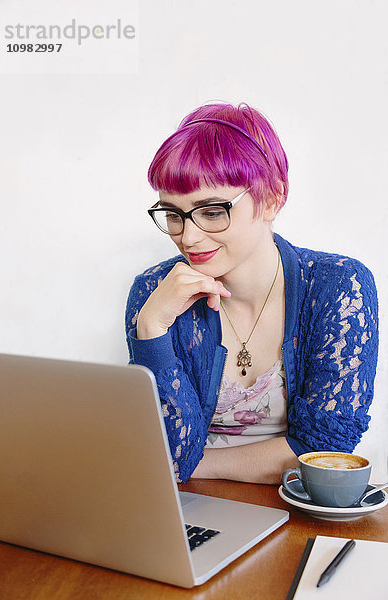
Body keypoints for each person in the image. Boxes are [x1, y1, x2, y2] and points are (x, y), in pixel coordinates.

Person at [125, 103, 379, 484]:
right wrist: (152, 327)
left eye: (211, 211)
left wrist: (198, 465)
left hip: (289, 507)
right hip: (183, 508)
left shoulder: (337, 288)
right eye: (173, 214)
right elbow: (165, 450)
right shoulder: (154, 293)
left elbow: (326, 451)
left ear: (272, 199)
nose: (187, 238)